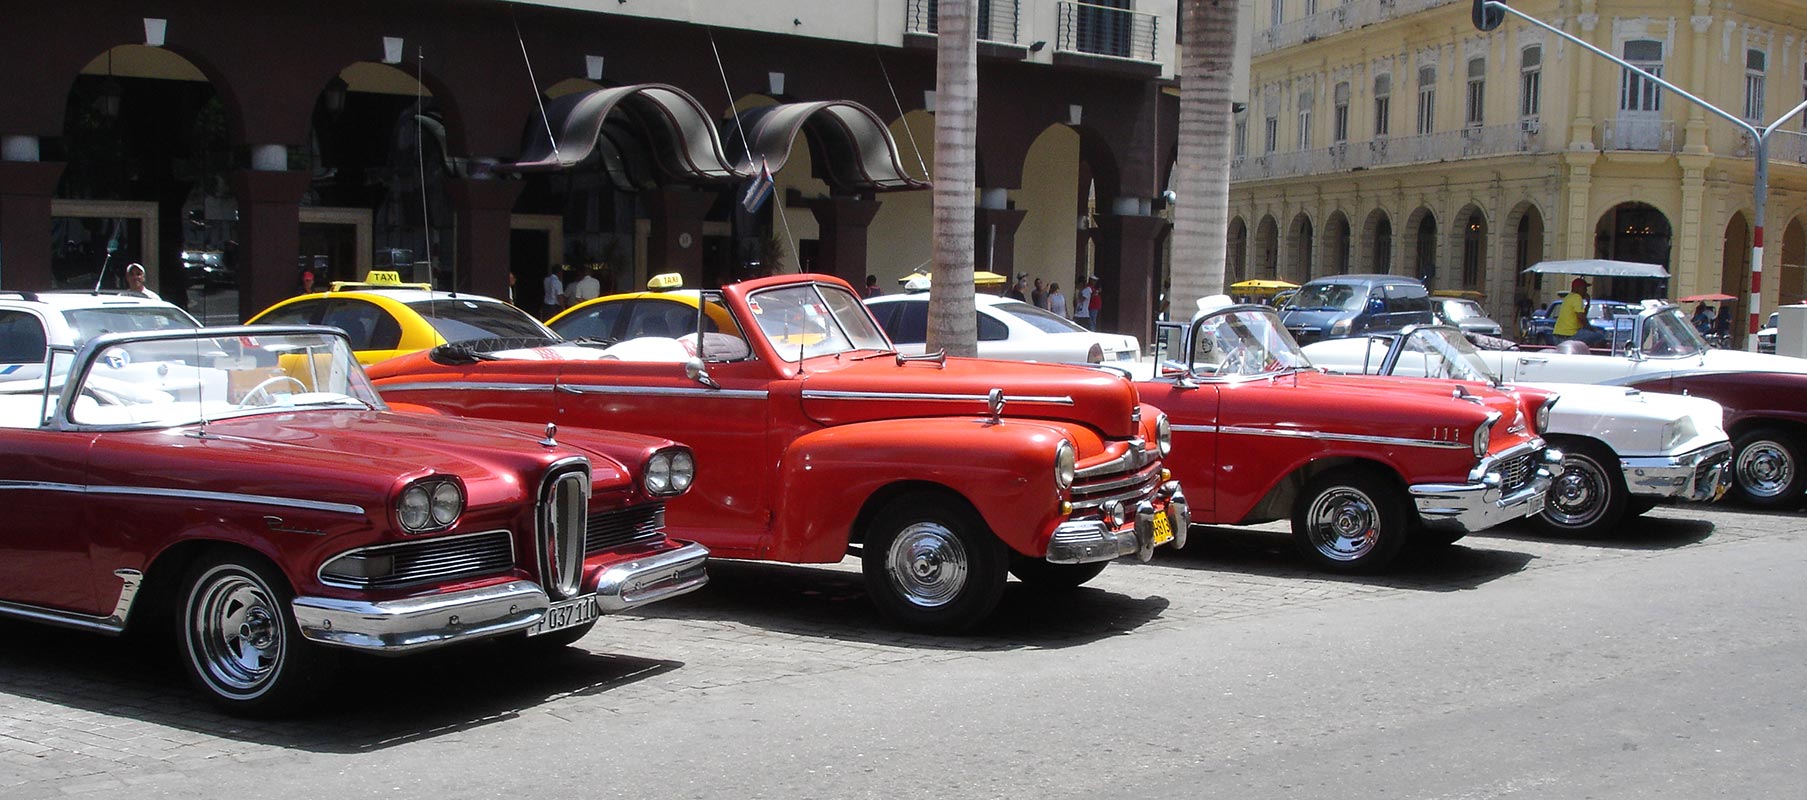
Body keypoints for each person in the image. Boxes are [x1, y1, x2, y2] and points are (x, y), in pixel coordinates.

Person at [1554, 277, 1604, 347]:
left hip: (1557, 335)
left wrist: (1587, 304)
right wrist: (1591, 328)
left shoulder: (1568, 297)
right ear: (1577, 288)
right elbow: (1581, 317)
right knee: (1600, 336)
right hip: (1570, 335)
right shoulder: (1577, 297)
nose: (1586, 291)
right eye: (1584, 288)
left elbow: (1582, 315)